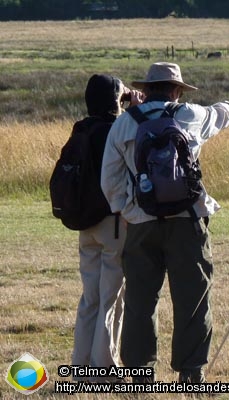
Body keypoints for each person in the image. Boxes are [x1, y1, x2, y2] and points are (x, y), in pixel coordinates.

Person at [101, 62, 229, 383]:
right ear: (177, 90)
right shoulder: (191, 116)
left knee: (140, 300)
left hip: (141, 223)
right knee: (193, 297)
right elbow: (220, 113)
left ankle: (140, 373)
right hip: (188, 220)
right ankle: (191, 372)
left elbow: (110, 180)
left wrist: (129, 212)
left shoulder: (124, 125)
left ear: (148, 88)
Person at [71, 74, 144, 380]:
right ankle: (105, 367)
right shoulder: (118, 129)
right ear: (115, 100)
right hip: (112, 223)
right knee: (112, 297)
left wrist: (123, 97)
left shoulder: (81, 129)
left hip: (84, 224)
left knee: (90, 297)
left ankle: (80, 365)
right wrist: (135, 108)